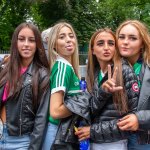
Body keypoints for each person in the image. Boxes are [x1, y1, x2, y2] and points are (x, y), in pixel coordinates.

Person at [75, 28, 139, 150]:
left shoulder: (125, 71)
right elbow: (91, 110)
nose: (106, 47)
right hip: (92, 142)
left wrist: (93, 131)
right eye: (100, 43)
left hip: (114, 144)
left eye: (111, 43)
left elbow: (132, 122)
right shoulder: (94, 73)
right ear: (93, 50)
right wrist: (103, 92)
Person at [0, 22, 50, 150]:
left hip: (21, 142)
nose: (26, 44)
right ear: (15, 43)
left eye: (31, 40)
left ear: (37, 44)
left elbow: (41, 118)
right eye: (21, 39)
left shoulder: (42, 74)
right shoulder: (5, 70)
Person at [43, 21, 90, 150]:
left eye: (71, 35)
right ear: (54, 44)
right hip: (57, 135)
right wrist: (85, 101)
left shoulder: (67, 67)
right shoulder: (62, 67)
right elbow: (55, 111)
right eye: (62, 37)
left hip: (63, 132)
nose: (68, 40)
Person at [116, 20, 150, 150]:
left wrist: (140, 119)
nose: (125, 42)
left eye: (133, 38)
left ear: (142, 44)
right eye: (121, 37)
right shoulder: (108, 66)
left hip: (142, 140)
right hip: (114, 138)